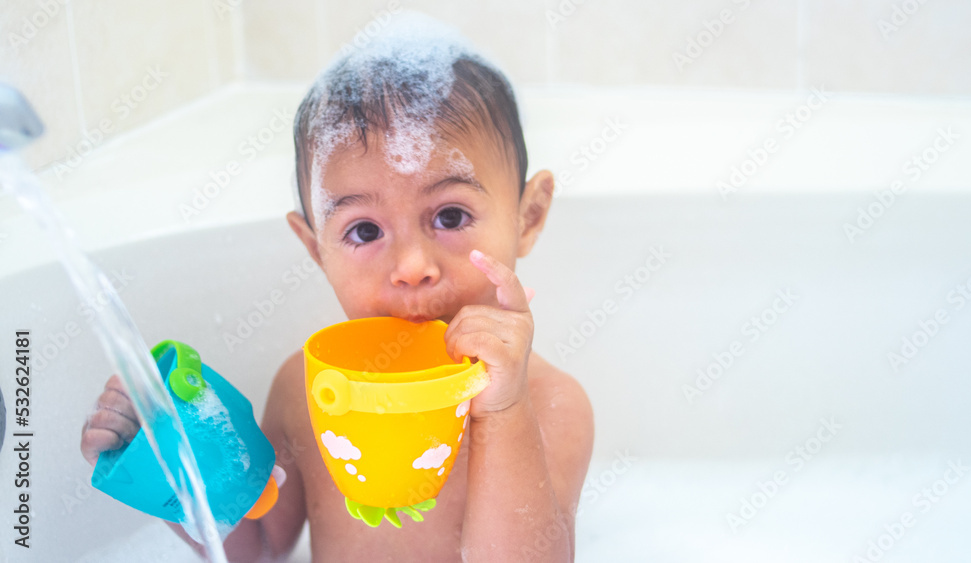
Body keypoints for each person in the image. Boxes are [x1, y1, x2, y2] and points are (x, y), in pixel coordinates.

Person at [81, 12, 594, 562]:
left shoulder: (548, 406)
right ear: (315, 248)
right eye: (365, 230)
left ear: (529, 216)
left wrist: (502, 410)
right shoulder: (306, 390)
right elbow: (254, 546)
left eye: (449, 216)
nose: (413, 265)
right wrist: (168, 461)